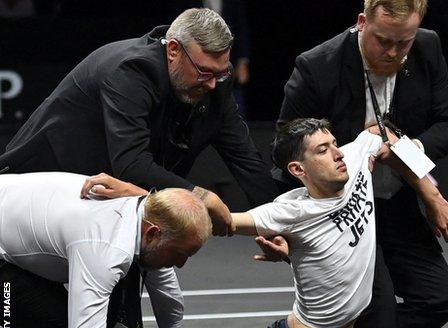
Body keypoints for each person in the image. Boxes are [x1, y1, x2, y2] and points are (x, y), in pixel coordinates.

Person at [86, 118, 448, 328]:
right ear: (298, 168)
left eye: (333, 143)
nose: (336, 154)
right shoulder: (289, 211)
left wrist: (429, 188)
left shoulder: (356, 156)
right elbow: (223, 222)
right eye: (322, 150)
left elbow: (383, 131)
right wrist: (138, 196)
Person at [277, 1, 448, 328]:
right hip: (344, 215)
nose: (393, 53)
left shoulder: (427, 47)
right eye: (383, 41)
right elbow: (285, 149)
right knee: (377, 314)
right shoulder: (318, 66)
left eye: (403, 43)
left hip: (396, 202)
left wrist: (404, 150)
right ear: (362, 22)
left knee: (441, 298)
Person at [0, 8, 278, 236]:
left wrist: (285, 226)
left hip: (101, 194)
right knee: (25, 301)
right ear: (172, 50)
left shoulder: (215, 82)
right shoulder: (130, 71)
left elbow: (245, 159)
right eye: (205, 72)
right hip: (35, 192)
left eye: (221, 72)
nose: (213, 84)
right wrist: (201, 197)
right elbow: (131, 163)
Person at [0, 171, 211, 328]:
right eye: (179, 254)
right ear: (153, 234)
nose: (181, 263)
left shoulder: (146, 215)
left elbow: (168, 297)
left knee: (68, 324)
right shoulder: (106, 249)